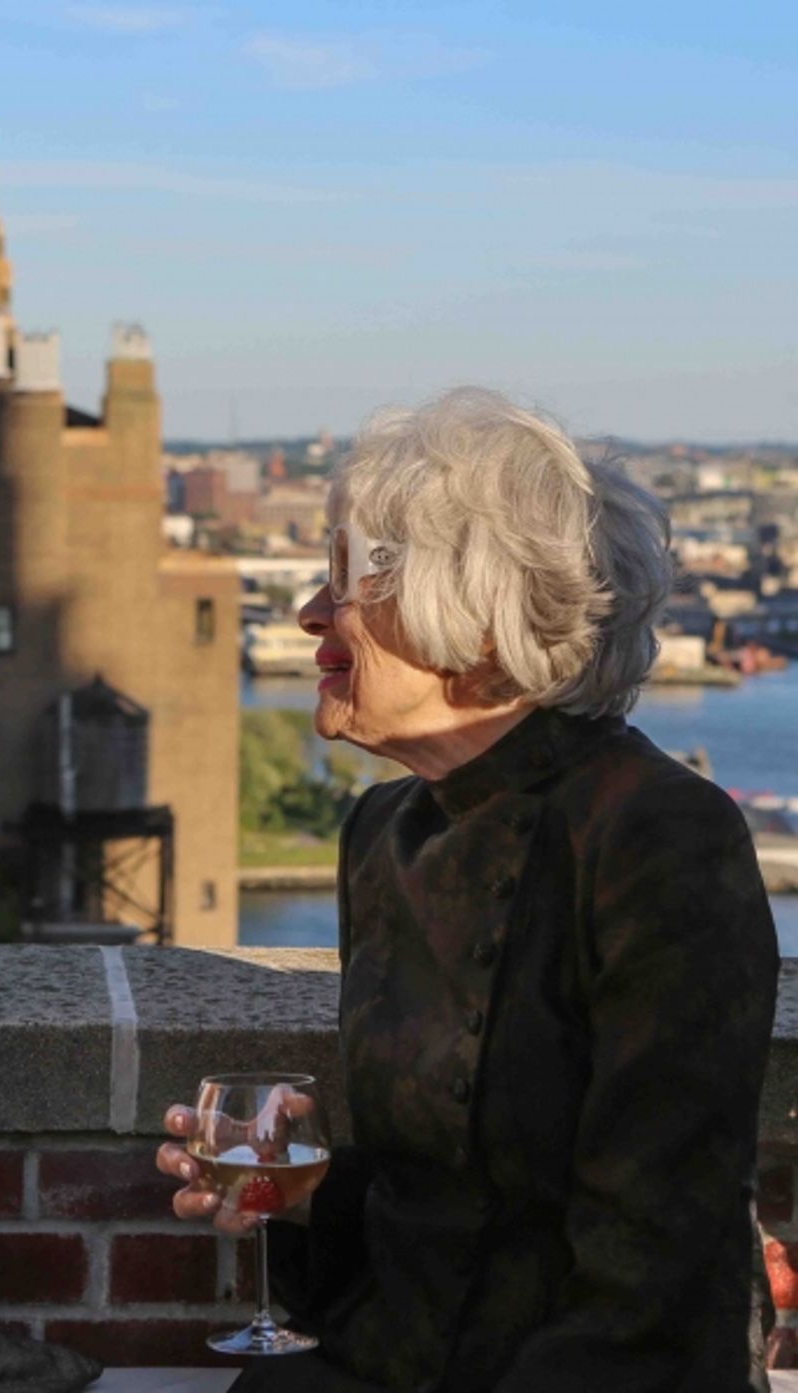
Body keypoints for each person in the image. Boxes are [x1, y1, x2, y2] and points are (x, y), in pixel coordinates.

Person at [157, 388, 778, 1392]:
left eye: (346, 577)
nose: (311, 611)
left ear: (481, 618)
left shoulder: (657, 836)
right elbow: (444, 1205)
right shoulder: (381, 832)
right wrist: (308, 1190)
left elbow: (654, 1262)